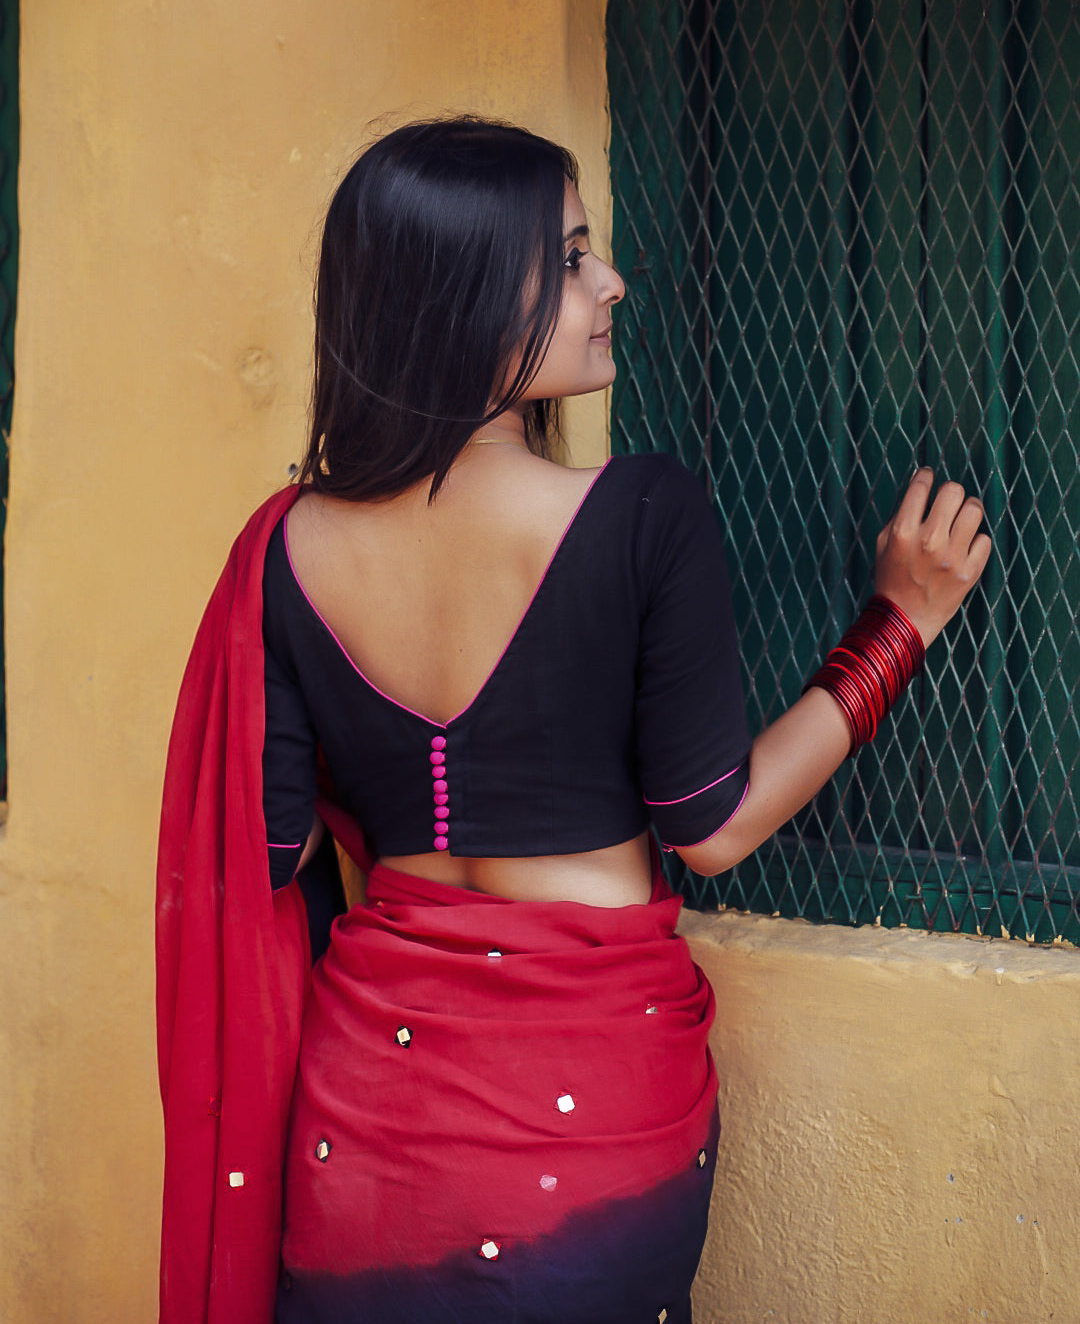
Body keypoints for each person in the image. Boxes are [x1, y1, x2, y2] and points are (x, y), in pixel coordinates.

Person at [155, 117, 991, 1324]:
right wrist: (896, 629)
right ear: (459, 293)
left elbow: (276, 853)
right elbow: (711, 826)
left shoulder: (283, 550)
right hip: (588, 1107)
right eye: (568, 257)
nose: (612, 283)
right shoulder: (643, 511)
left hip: (366, 1112)